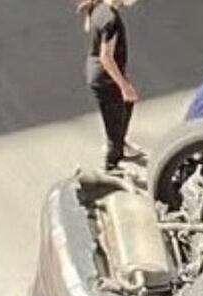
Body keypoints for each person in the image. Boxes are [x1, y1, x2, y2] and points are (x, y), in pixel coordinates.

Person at [80, 0, 139, 172]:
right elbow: (106, 58)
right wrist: (124, 85)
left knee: (127, 103)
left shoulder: (97, 7)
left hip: (99, 72)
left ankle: (120, 141)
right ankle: (111, 165)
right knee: (114, 125)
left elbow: (88, 27)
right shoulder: (110, 19)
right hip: (105, 79)